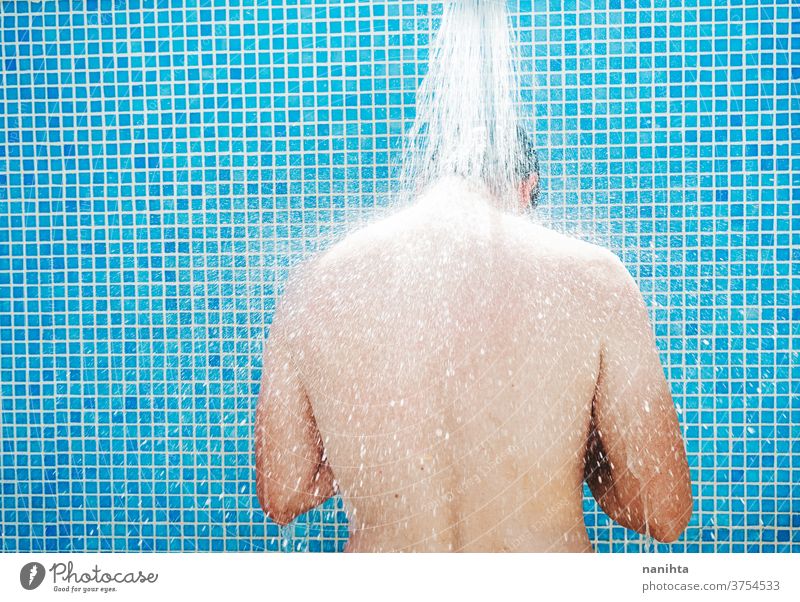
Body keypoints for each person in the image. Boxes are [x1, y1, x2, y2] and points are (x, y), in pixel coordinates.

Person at [254, 135, 692, 552]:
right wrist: (583, 455)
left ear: (423, 183)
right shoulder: (595, 280)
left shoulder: (316, 286)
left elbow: (283, 493)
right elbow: (664, 512)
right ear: (526, 190)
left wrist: (368, 450)